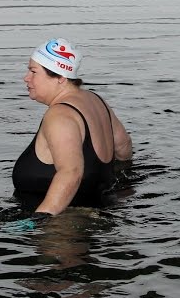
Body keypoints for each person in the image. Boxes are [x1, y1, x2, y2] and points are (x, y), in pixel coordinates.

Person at [13, 38, 132, 215]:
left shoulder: (60, 115)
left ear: (60, 78)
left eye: (33, 71)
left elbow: (71, 172)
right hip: (102, 209)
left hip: (64, 223)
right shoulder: (95, 100)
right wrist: (119, 185)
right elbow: (123, 146)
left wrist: (38, 220)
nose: (26, 78)